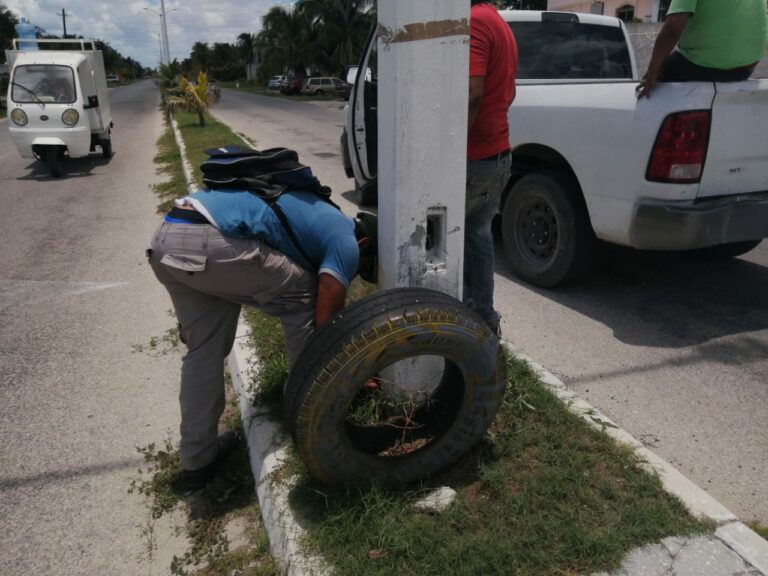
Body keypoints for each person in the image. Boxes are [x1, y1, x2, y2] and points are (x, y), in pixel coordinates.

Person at [147, 188, 377, 490]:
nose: (355, 273)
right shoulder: (346, 242)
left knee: (204, 350)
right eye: (365, 267)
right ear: (365, 243)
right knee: (306, 295)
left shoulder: (325, 215)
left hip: (168, 235)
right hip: (210, 240)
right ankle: (307, 410)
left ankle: (198, 462)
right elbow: (326, 325)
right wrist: (349, 374)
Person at [465, 0, 518, 335]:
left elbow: (473, 92)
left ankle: (461, 322)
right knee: (478, 236)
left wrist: (451, 147)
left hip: (474, 156)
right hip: (498, 153)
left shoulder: (475, 21)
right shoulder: (498, 22)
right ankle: (484, 319)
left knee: (445, 241)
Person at [636, 0, 768, 98]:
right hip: (746, 68)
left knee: (658, 75)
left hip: (702, 66)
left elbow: (672, 28)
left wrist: (653, 71)